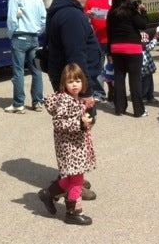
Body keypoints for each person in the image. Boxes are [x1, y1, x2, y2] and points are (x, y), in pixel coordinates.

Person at [37, 64, 96, 226]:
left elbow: (78, 116)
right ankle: (73, 212)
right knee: (77, 179)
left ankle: (48, 193)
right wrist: (79, 123)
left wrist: (87, 116)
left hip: (75, 145)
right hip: (69, 148)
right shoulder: (65, 99)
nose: (75, 84)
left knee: (72, 177)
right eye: (70, 81)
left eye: (78, 80)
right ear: (64, 84)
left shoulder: (75, 99)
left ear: (83, 82)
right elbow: (59, 122)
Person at [45, 0, 103, 99]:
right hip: (75, 87)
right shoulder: (72, 15)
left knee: (70, 119)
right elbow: (76, 54)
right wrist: (85, 93)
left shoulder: (63, 9)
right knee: (82, 119)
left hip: (68, 82)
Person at [5, 0, 46, 114]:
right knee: (36, 71)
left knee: (18, 71)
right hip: (34, 38)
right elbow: (43, 20)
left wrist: (11, 34)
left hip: (19, 37)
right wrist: (37, 32)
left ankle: (18, 104)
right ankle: (38, 102)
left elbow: (12, 19)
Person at [106, 0, 148, 116]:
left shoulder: (111, 13)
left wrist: (109, 51)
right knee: (135, 80)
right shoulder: (131, 11)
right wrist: (143, 12)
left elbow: (109, 33)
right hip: (132, 48)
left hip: (116, 48)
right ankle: (138, 110)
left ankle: (119, 108)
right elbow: (143, 25)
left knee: (119, 78)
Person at [84, 0, 113, 100]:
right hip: (97, 40)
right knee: (97, 69)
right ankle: (99, 93)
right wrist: (88, 15)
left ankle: (113, 94)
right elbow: (85, 18)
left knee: (112, 69)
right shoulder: (91, 0)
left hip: (112, 39)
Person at [140, 31, 158, 102]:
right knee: (146, 84)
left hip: (148, 70)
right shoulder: (142, 50)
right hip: (144, 71)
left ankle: (150, 96)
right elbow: (152, 45)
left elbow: (151, 45)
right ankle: (143, 96)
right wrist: (155, 38)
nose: (145, 43)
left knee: (150, 84)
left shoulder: (145, 48)